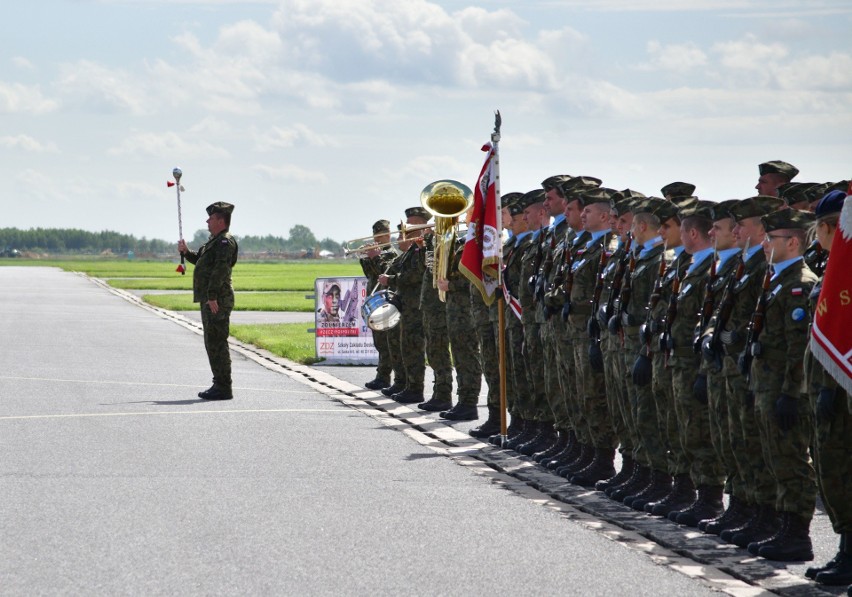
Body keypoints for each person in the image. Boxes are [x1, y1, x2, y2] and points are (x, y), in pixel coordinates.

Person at [803, 189, 852, 585]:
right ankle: (846, 549)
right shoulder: (828, 265)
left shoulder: (843, 268)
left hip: (839, 390)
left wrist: (831, 388)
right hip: (825, 386)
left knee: (843, 470)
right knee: (832, 469)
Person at [177, 201, 239, 401]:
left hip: (217, 299)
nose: (207, 221)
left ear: (221, 220)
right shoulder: (214, 242)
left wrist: (212, 296)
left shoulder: (224, 242)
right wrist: (187, 253)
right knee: (212, 342)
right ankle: (219, 383)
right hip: (211, 299)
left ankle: (223, 387)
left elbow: (221, 270)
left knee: (217, 343)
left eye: (211, 218)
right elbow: (203, 262)